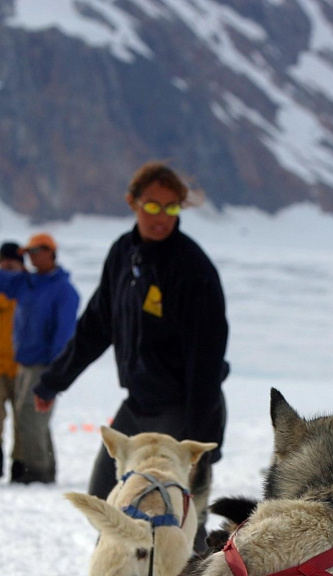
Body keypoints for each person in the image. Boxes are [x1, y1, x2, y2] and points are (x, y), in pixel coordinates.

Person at [33, 162, 229, 548]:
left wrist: (200, 440)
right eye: (152, 206)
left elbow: (205, 361)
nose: (161, 217)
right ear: (133, 202)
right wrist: (53, 382)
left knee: (181, 520)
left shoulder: (193, 269)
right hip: (137, 406)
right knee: (103, 502)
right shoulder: (124, 254)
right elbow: (94, 327)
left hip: (183, 410)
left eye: (171, 208)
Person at [0, 233, 79, 483]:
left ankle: (39, 472)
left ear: (50, 252)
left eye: (36, 251)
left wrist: (56, 372)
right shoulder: (27, 283)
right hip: (23, 362)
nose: (32, 257)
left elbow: (64, 333)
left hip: (44, 365)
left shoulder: (64, 290)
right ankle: (41, 469)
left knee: (31, 418)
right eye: (29, 253)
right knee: (30, 419)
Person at [0, 242, 25, 480]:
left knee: (25, 422)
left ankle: (22, 468)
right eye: (4, 260)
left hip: (23, 366)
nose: (8, 264)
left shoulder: (29, 289)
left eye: (13, 261)